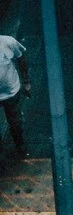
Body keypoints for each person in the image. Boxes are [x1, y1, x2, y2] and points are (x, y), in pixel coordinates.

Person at [0, 31, 28, 161]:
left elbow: (21, 57)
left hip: (11, 91)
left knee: (15, 122)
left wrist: (26, 81)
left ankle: (20, 145)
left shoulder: (7, 42)